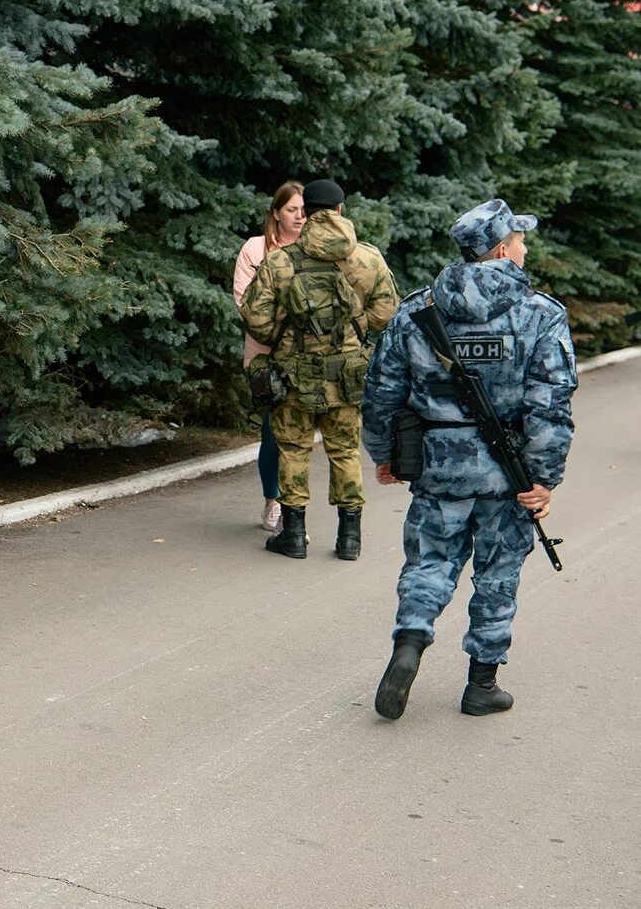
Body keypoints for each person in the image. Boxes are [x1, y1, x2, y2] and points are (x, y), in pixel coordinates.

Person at [361, 199, 575, 719]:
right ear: (502, 249)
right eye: (519, 241)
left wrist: (386, 455)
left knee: (429, 562)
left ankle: (410, 642)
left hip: (439, 467)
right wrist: (543, 478)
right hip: (510, 473)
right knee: (498, 573)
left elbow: (381, 393)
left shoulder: (418, 311)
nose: (524, 249)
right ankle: (481, 686)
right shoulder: (540, 314)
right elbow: (550, 403)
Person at [240, 178, 401, 560]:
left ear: (305, 212)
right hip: (347, 376)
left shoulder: (280, 261)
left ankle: (293, 536)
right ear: (341, 210)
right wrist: (353, 329)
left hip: (293, 376)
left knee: (293, 450)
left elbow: (257, 322)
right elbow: (387, 314)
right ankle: (350, 540)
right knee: (344, 451)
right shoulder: (368, 258)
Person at [234, 181, 305, 533]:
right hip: (265, 360)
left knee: (301, 433)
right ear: (276, 212)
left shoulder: (312, 250)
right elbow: (245, 304)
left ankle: (296, 506)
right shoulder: (255, 249)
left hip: (308, 359)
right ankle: (273, 498)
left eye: (304, 210)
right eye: (292, 209)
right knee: (273, 432)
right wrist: (287, 329)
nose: (299, 216)